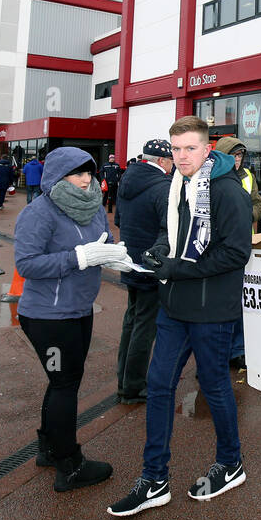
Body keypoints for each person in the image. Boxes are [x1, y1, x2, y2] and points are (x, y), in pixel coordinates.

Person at [108, 116, 252, 518]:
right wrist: (158, 251)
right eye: (176, 149)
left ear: (208, 150)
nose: (182, 156)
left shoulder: (228, 192)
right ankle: (154, 478)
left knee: (214, 385)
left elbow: (236, 253)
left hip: (211, 309)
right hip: (174, 306)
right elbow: (172, 233)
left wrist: (176, 268)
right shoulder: (176, 186)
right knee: (158, 385)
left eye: (190, 148)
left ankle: (231, 462)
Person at [16, 147, 132, 492]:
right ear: (58, 176)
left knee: (63, 382)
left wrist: (112, 253)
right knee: (65, 384)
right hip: (48, 316)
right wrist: (77, 258)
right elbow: (27, 264)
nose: (86, 180)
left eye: (89, 173)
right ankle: (69, 464)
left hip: (80, 309)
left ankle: (48, 449)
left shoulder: (94, 206)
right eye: (78, 174)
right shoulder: (40, 212)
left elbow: (101, 242)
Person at [114, 139, 173, 404]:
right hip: (151, 264)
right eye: (171, 160)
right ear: (161, 161)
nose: (173, 165)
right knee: (145, 326)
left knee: (132, 319)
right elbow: (169, 228)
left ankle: (124, 378)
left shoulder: (127, 180)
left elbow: (118, 220)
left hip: (130, 260)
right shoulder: (162, 187)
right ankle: (134, 385)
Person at [213, 135, 261, 367]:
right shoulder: (211, 177)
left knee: (239, 300)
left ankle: (237, 350)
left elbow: (258, 202)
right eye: (233, 155)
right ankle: (217, 352)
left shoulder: (247, 176)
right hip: (218, 247)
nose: (237, 159)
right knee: (219, 303)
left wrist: (247, 214)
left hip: (243, 244)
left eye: (240, 155)